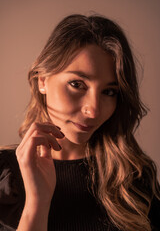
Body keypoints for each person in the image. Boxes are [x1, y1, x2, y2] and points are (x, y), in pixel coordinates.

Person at [0, 13, 160, 231]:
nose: (93, 110)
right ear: (42, 81)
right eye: (77, 84)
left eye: (109, 92)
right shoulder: (4, 176)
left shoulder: (135, 177)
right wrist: (37, 201)